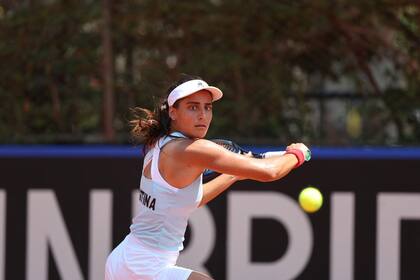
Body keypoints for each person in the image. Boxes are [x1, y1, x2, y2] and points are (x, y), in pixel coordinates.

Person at [104, 74, 310, 280]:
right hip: (145, 269)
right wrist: (298, 154)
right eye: (193, 107)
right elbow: (269, 172)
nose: (202, 115)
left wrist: (233, 175)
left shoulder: (159, 142)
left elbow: (191, 200)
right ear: (173, 112)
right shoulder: (193, 149)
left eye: (208, 107)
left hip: (123, 261)